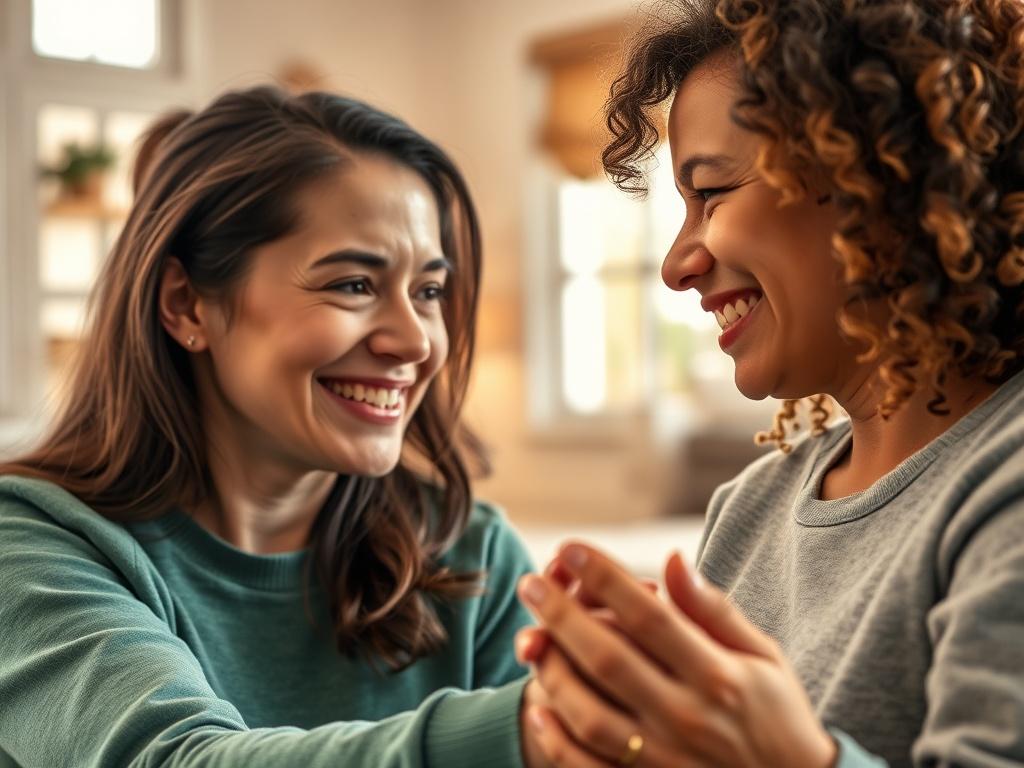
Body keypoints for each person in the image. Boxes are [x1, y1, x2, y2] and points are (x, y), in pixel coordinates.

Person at [514, 0, 1024, 766]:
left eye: (711, 193)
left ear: (878, 178)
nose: (676, 264)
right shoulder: (750, 509)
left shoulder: (1003, 485)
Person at [0, 86, 540, 767]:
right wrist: (532, 734)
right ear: (187, 304)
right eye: (353, 284)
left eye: (428, 291)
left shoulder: (474, 558)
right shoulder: (28, 548)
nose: (414, 341)